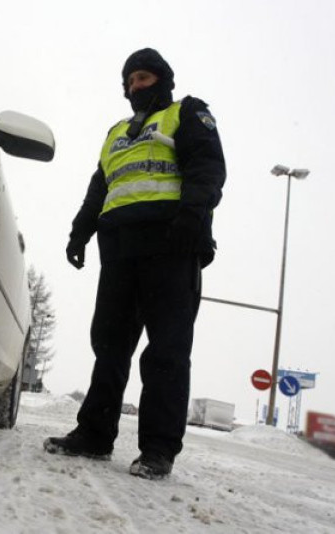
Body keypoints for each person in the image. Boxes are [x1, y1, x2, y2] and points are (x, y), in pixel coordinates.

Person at [43, 48, 226, 480]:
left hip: (172, 245)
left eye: (141, 78)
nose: (134, 87)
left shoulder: (187, 113)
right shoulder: (116, 133)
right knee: (109, 345)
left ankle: (158, 451)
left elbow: (207, 169)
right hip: (120, 250)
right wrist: (79, 232)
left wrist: (190, 218)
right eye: (128, 81)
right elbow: (100, 186)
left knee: (166, 350)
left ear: (162, 79)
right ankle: (94, 435)